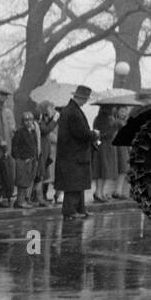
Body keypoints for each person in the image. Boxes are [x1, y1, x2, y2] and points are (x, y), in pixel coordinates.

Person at [55, 86, 97, 220]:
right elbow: (81, 133)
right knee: (73, 184)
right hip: (74, 154)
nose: (85, 102)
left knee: (78, 183)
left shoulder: (70, 110)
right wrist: (94, 134)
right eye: (85, 99)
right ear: (81, 98)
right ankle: (70, 211)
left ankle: (79, 208)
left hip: (71, 154)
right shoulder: (73, 112)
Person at [11, 111, 41, 209]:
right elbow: (15, 147)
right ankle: (20, 201)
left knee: (28, 180)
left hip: (31, 159)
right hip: (23, 160)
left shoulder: (32, 131)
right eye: (26, 120)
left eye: (30, 120)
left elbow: (35, 145)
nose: (28, 122)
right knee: (22, 182)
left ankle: (24, 199)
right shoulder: (20, 132)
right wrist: (20, 158)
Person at [91, 104, 120, 203]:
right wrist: (113, 128)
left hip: (106, 146)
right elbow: (103, 134)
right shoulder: (101, 119)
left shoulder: (105, 118)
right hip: (103, 146)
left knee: (104, 170)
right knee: (102, 169)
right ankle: (98, 192)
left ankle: (100, 192)